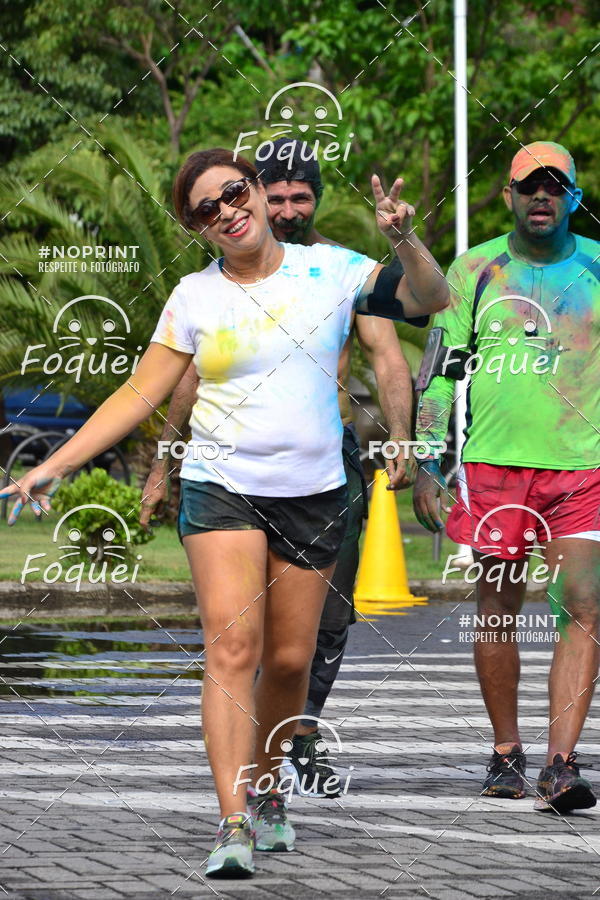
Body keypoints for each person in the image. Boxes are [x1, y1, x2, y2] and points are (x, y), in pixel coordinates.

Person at [1, 148, 448, 879]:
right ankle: (233, 817)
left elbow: (430, 299)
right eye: (205, 210)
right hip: (222, 488)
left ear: (259, 192)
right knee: (231, 651)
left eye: (232, 193)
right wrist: (51, 465)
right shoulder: (194, 297)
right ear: (197, 228)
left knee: (290, 660)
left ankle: (269, 791)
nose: (226, 212)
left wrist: (403, 237)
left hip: (313, 494)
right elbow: (139, 395)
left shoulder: (332, 271)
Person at [140, 138, 426, 800]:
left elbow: (387, 356)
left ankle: (297, 733)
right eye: (281, 194)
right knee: (248, 633)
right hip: (237, 471)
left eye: (305, 197)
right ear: (258, 194)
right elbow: (186, 379)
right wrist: (164, 464)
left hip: (326, 467)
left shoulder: (340, 273)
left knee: (323, 625)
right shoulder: (218, 282)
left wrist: (404, 436)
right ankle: (258, 774)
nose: (292, 207)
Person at [413, 141, 599, 813]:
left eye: (556, 186)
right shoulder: (473, 271)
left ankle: (561, 763)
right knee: (497, 610)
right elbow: (437, 371)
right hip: (494, 471)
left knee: (584, 608)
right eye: (530, 186)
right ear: (509, 195)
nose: (542, 196)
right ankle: (505, 751)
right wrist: (429, 462)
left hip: (583, 468)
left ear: (575, 196)